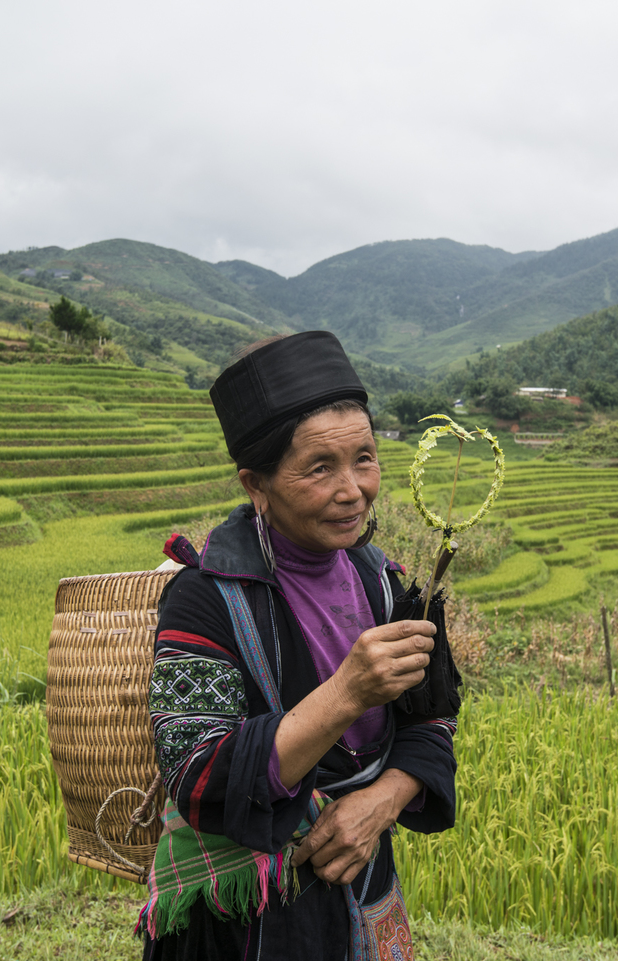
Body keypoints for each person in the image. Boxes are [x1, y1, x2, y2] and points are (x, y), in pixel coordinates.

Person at [138, 331, 457, 961]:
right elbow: (198, 777)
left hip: (362, 891)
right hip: (243, 918)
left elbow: (433, 715)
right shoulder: (205, 601)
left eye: (364, 458)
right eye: (319, 468)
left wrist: (382, 800)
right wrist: (347, 692)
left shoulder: (381, 579)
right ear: (257, 485)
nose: (353, 490)